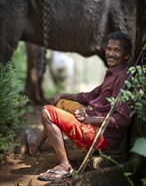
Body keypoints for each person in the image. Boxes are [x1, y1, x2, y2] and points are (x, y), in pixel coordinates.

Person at [25, 31, 132, 181]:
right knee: (60, 104)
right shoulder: (113, 73)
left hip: (102, 136)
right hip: (94, 121)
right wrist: (63, 95)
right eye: (109, 49)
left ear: (126, 55)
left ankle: (64, 166)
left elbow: (122, 120)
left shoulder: (122, 78)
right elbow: (89, 96)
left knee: (47, 113)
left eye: (117, 50)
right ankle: (35, 144)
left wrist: (90, 119)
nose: (110, 53)